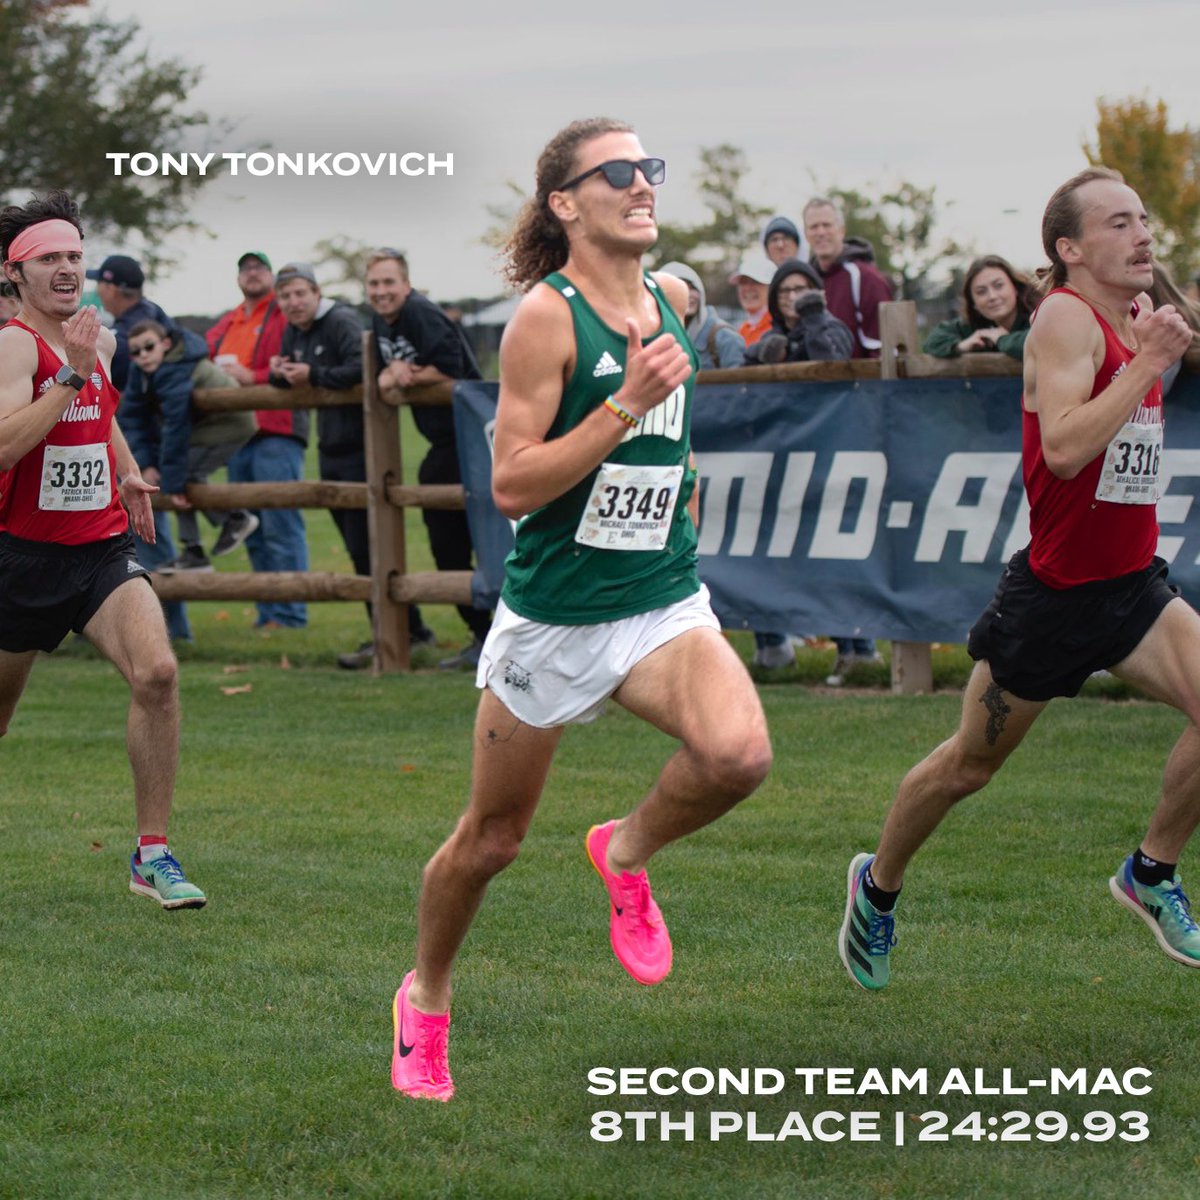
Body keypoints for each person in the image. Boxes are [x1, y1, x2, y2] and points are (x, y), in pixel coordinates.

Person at [391, 118, 772, 1102]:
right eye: (618, 172)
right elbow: (512, 484)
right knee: (492, 840)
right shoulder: (545, 319)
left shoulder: (668, 301)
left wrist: (678, 481)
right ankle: (425, 995)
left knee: (739, 756)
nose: (643, 183)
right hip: (555, 619)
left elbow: (669, 441)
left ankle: (624, 849)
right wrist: (624, 404)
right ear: (565, 203)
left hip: (659, 600)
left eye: (649, 167)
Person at [839, 167, 1198, 993]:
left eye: (1143, 219)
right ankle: (877, 886)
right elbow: (1065, 448)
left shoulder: (1137, 315)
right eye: (1118, 223)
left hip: (1131, 589)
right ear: (1069, 248)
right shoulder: (1066, 318)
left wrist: (1151, 350)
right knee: (967, 766)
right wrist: (1147, 365)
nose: (1143, 234)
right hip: (1055, 601)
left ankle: (1150, 872)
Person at [0, 190, 205, 908]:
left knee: (158, 673)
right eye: (48, 258)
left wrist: (125, 469)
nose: (66, 269)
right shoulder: (14, 346)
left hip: (98, 550)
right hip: (18, 559)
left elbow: (103, 412)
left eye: (74, 256)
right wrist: (71, 372)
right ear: (14, 273)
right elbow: (4, 448)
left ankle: (152, 854)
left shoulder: (100, 340)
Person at [364, 248, 485, 670]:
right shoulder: (381, 321)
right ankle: (483, 634)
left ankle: (495, 634)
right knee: (447, 542)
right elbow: (381, 370)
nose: (381, 291)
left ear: (407, 284)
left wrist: (409, 374)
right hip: (443, 442)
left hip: (471, 438)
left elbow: (452, 368)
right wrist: (390, 372)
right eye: (374, 284)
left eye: (389, 282)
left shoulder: (420, 313)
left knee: (470, 541)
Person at [207, 251, 309, 630]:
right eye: (245, 268)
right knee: (250, 528)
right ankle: (268, 613)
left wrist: (253, 377)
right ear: (238, 278)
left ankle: (291, 614)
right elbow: (205, 351)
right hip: (237, 433)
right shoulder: (230, 319)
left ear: (270, 275)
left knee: (281, 524)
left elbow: (294, 363)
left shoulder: (285, 315)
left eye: (259, 267)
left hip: (276, 430)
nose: (252, 273)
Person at [93, 253, 191, 643]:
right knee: (139, 535)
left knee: (146, 535)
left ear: (112, 288)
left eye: (100, 282)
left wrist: (144, 459)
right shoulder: (154, 317)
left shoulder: (126, 335)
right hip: (142, 448)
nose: (97, 290)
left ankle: (171, 631)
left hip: (136, 449)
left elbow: (125, 402)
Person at [121, 319, 257, 571]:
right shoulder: (144, 371)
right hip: (203, 424)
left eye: (149, 347)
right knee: (176, 476)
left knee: (179, 476)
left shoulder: (175, 369)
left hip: (230, 422)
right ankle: (196, 549)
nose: (143, 355)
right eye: (136, 352)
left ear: (166, 344)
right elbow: (131, 416)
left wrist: (171, 481)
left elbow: (176, 425)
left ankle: (233, 519)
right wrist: (147, 463)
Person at [803, 196, 893, 359]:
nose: (820, 232)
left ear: (841, 230)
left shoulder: (866, 278)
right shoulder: (805, 282)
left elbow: (882, 349)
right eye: (814, 227)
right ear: (806, 234)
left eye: (827, 225)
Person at [923, 255, 1034, 361]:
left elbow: (1038, 342)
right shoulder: (976, 328)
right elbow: (932, 342)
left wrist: (1001, 339)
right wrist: (960, 346)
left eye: (998, 285)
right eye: (981, 292)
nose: (992, 296)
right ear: (973, 303)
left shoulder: (1038, 315)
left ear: (1015, 288)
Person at [656, 260, 745, 369]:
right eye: (679, 287)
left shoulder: (726, 339)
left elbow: (740, 379)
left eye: (692, 287)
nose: (687, 294)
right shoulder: (652, 339)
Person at [729, 256, 775, 347]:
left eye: (756, 282)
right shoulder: (743, 329)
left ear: (772, 288)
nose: (747, 288)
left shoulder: (777, 327)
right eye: (743, 282)